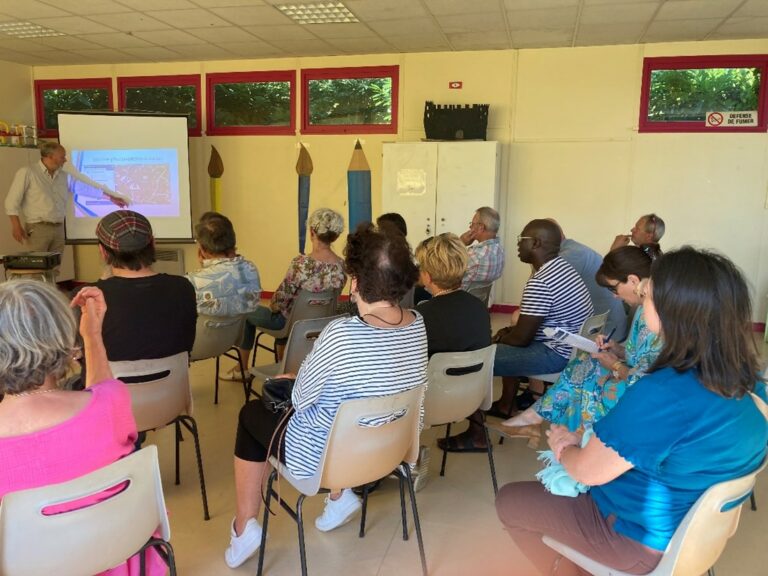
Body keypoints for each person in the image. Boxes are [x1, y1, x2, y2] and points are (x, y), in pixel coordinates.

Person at [496, 246, 768, 576]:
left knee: (510, 501)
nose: (641, 297)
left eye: (647, 294)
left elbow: (586, 472)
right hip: (695, 535)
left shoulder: (663, 393)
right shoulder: (749, 382)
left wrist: (564, 445)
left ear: (671, 310)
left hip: (634, 538)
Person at [224, 223, 428, 568]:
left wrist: (299, 376)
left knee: (250, 415)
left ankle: (244, 528)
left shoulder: (341, 334)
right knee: (344, 401)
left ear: (355, 282)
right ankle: (339, 499)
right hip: (391, 452)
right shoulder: (418, 323)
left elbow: (301, 400)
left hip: (325, 463)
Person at [0, 281, 166, 575]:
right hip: (124, 560)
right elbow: (104, 394)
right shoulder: (109, 404)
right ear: (63, 338)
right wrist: (92, 335)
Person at [440, 219, 593, 452]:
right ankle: (506, 405)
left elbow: (521, 339)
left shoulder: (541, 281)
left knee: (476, 361)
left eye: (522, 240)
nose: (518, 245)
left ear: (536, 243)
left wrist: (498, 339)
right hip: (570, 348)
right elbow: (527, 329)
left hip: (554, 354)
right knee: (501, 344)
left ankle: (476, 435)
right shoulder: (563, 268)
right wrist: (508, 334)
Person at [500, 245, 662, 443]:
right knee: (586, 360)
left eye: (614, 288)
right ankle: (536, 419)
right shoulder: (645, 307)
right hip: (640, 378)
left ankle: (574, 439)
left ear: (633, 280)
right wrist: (616, 348)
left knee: (588, 384)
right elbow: (639, 356)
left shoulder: (654, 317)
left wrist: (615, 365)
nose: (614, 296)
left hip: (649, 392)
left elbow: (647, 380)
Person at [229, 207, 346, 376]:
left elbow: (280, 301)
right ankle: (284, 361)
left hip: (289, 325)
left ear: (312, 232)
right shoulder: (341, 266)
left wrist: (274, 306)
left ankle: (242, 369)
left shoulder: (301, 264)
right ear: (335, 235)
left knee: (248, 313)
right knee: (291, 313)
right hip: (322, 325)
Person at [83, 209, 197, 362]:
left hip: (109, 378)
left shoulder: (87, 297)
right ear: (153, 244)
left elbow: (78, 351)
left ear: (103, 252)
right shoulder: (183, 287)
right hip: (174, 377)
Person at [5, 142, 129, 254]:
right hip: (37, 229)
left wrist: (110, 198)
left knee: (54, 267)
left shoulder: (63, 176)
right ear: (50, 156)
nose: (65, 160)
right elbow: (11, 202)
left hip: (58, 228)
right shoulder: (28, 172)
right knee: (37, 267)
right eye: (62, 157)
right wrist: (16, 226)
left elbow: (84, 188)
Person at [549, 219, 628, 342]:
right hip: (611, 327)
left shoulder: (569, 255)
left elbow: (540, 296)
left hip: (607, 334)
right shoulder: (574, 249)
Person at [415, 233, 491, 357]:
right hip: (477, 370)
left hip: (435, 370)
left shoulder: (419, 317)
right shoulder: (479, 307)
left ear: (427, 277)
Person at [187, 211, 261, 317]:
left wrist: (203, 269)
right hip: (240, 328)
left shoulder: (190, 282)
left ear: (202, 249)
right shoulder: (250, 269)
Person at [459, 206, 505, 291]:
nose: (470, 227)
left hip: (457, 296)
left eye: (472, 224)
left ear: (481, 227)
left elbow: (446, 271)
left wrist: (460, 243)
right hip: (479, 299)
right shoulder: (500, 251)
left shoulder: (474, 256)